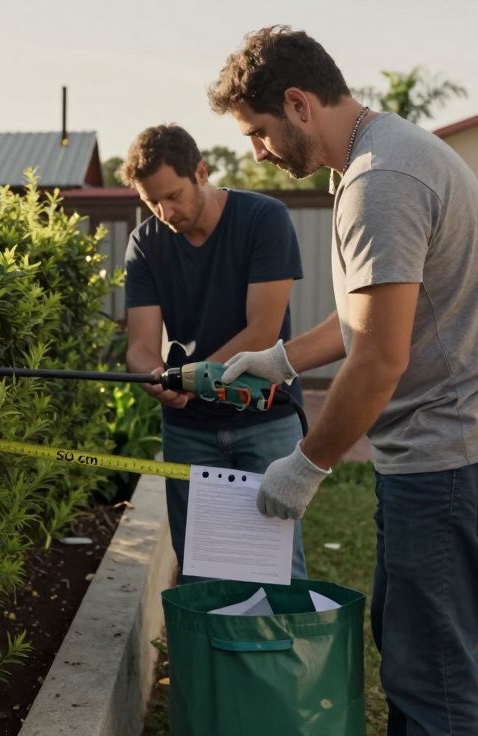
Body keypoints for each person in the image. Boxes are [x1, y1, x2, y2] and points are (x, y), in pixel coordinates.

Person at [208, 26, 478, 735]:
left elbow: (379, 360)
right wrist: (282, 360)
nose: (257, 153)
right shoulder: (383, 154)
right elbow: (369, 317)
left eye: (258, 133)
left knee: (430, 673)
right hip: (458, 442)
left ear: (299, 104)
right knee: (407, 636)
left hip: (457, 451)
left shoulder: (380, 183)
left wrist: (305, 467)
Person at [119, 124, 307, 583]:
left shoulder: (264, 219)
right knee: (201, 574)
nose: (165, 212)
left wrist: (193, 378)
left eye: (173, 195)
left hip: (264, 416)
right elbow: (141, 347)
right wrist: (155, 377)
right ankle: (208, 658)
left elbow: (263, 329)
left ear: (201, 171)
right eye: (151, 201)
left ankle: (279, 656)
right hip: (188, 431)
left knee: (277, 573)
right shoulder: (146, 244)